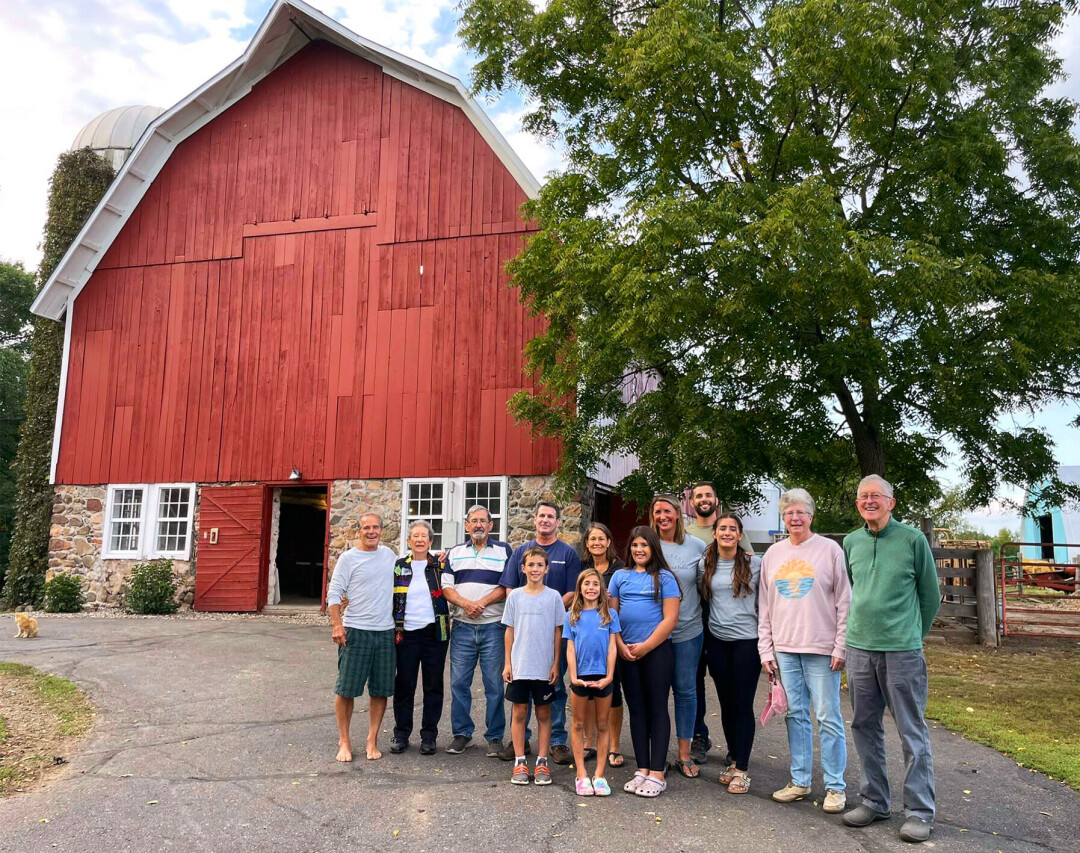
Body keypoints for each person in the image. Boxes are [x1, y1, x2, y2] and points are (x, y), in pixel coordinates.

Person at [842, 475, 941, 844]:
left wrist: (912, 634)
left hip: (902, 650)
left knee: (911, 730)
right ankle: (874, 800)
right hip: (859, 648)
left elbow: (930, 595)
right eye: (863, 496)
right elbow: (855, 586)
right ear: (858, 503)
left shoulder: (913, 540)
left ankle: (918, 812)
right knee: (864, 726)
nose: (869, 501)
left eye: (876, 496)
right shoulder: (851, 541)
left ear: (891, 503)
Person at [758, 489, 851, 814]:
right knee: (795, 715)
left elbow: (844, 602)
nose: (794, 518)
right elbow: (765, 606)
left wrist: (841, 645)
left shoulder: (829, 551)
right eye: (788, 513)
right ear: (783, 518)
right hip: (785, 649)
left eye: (800, 512)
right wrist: (765, 650)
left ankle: (835, 787)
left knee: (828, 717)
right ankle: (799, 781)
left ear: (811, 516)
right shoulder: (773, 554)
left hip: (823, 649)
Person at [498, 501, 581, 763]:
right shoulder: (521, 551)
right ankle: (520, 742)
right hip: (524, 637)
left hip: (552, 633)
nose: (545, 520)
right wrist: (525, 607)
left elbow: (572, 591)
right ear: (535, 520)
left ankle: (556, 742)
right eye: (541, 515)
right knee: (520, 699)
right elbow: (511, 588)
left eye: (551, 516)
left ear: (558, 522)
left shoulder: (568, 554)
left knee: (553, 690)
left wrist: (550, 605)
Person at [609, 525, 680, 798]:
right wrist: (620, 646)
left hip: (657, 652)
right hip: (626, 651)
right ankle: (642, 768)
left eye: (645, 545)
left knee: (657, 708)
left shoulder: (665, 578)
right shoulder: (620, 576)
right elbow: (612, 615)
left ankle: (658, 773)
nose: (639, 550)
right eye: (635, 545)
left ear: (653, 548)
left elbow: (670, 619)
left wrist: (646, 646)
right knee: (636, 710)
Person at [697, 513, 761, 794]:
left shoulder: (754, 564)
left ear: (739, 535)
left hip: (747, 642)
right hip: (718, 641)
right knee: (725, 703)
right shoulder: (705, 564)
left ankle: (743, 769)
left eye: (731, 529)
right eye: (722, 528)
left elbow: (768, 603)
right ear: (714, 533)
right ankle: (734, 759)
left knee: (743, 704)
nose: (726, 532)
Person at [442, 505, 512, 756]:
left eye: (484, 520)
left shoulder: (504, 551)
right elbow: (447, 588)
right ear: (467, 525)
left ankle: (494, 736)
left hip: (494, 627)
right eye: (474, 521)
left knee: (494, 684)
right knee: (459, 683)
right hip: (462, 627)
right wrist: (467, 604)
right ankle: (462, 733)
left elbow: (507, 585)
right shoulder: (455, 552)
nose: (479, 524)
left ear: (491, 525)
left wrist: (481, 604)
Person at [327, 513, 396, 762]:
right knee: (347, 689)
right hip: (355, 630)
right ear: (359, 532)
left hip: (385, 632)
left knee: (380, 690)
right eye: (366, 528)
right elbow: (334, 593)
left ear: (381, 530)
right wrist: (337, 625)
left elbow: (412, 571)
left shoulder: (389, 556)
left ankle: (372, 739)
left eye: (376, 527)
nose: (371, 531)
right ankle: (344, 740)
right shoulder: (348, 558)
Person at [650, 495, 706, 778]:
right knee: (656, 694)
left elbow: (704, 586)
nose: (663, 516)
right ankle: (653, 753)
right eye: (658, 511)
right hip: (653, 634)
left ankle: (684, 755)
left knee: (685, 691)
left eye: (667, 511)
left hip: (687, 630)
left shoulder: (696, 546)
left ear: (677, 514)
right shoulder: (647, 544)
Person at [502, 546, 567, 785]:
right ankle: (520, 761)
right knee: (519, 712)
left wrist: (556, 664)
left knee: (543, 713)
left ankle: (542, 762)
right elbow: (509, 630)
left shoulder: (553, 597)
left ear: (547, 568)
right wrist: (507, 662)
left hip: (543, 666)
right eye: (531, 565)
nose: (535, 569)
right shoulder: (515, 596)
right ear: (523, 568)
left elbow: (557, 632)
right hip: (520, 665)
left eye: (540, 565)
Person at [390, 521, 451, 756]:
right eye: (414, 536)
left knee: (433, 685)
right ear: (408, 541)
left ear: (430, 541)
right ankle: (401, 733)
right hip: (405, 633)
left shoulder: (440, 565)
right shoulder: (398, 566)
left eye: (423, 536)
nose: (419, 540)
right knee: (404, 684)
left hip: (435, 632)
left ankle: (429, 736)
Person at [564, 568, 621, 796]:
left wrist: (609, 676)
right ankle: (581, 774)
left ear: (602, 589)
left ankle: (599, 775)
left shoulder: (610, 615)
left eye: (595, 584)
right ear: (580, 588)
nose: (590, 588)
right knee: (578, 724)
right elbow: (569, 648)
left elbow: (613, 648)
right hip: (580, 677)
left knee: (603, 724)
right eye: (586, 583)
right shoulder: (572, 616)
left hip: (603, 677)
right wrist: (574, 676)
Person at [580, 522, 627, 768]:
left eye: (601, 538)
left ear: (609, 542)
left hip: (610, 635)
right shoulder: (583, 568)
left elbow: (620, 604)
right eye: (592, 539)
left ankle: (614, 745)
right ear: (587, 544)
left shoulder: (620, 569)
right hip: (586, 638)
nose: (596, 543)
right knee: (587, 690)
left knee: (613, 692)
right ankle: (590, 741)